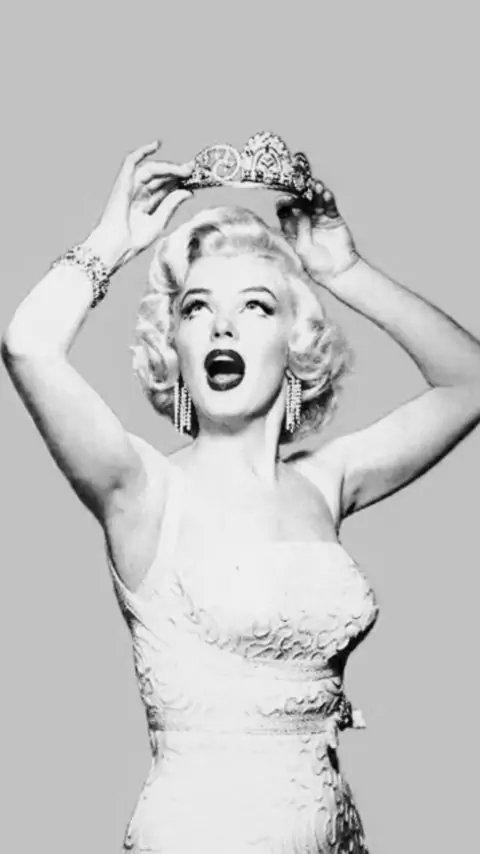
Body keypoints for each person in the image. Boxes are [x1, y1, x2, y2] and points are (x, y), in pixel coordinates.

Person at [3, 138, 480, 854]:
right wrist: (113, 240)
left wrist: (344, 271)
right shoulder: (143, 490)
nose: (221, 325)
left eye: (255, 306)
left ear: (295, 343)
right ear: (176, 345)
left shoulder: (326, 481)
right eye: (197, 309)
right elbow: (28, 346)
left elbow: (469, 382)